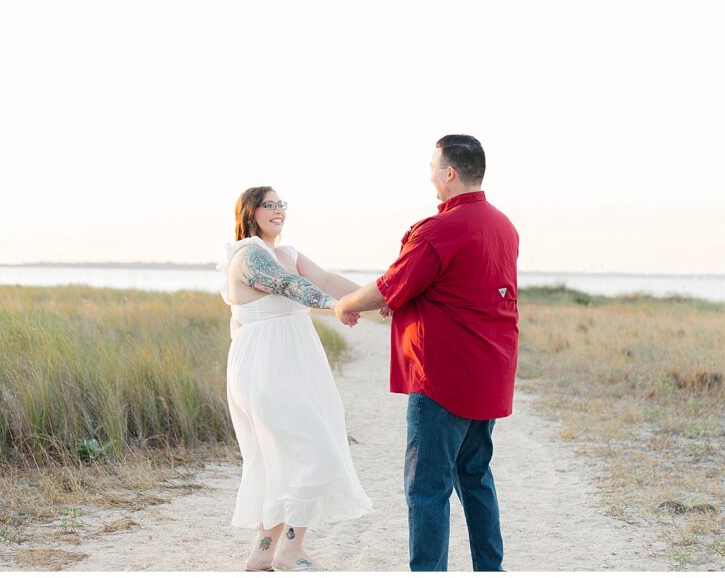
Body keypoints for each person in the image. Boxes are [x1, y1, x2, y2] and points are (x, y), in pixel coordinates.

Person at [334, 135, 519, 572]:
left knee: (427, 487)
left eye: (433, 167)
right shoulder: (503, 226)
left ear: (449, 173)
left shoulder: (442, 229)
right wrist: (398, 296)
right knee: (475, 477)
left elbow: (391, 284)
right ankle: (490, 568)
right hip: (487, 372)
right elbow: (444, 287)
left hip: (443, 378)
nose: (430, 175)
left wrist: (344, 305)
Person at [217, 186, 373, 572]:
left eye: (280, 204)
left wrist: (381, 299)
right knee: (316, 451)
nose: (277, 210)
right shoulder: (249, 254)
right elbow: (291, 286)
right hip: (264, 367)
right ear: (250, 212)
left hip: (295, 365)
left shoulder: (286, 254)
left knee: (282, 460)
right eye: (268, 204)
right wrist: (334, 306)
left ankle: (262, 553)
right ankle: (289, 551)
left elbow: (326, 278)